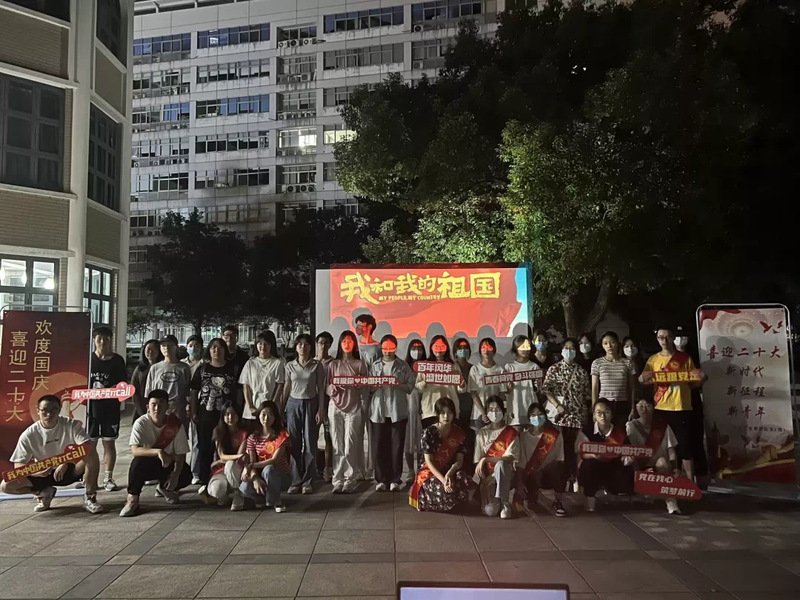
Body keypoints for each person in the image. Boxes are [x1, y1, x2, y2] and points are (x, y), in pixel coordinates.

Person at [1, 394, 103, 514]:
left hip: (70, 470)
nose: (49, 414)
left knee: (90, 453)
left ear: (59, 410)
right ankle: (43, 493)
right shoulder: (29, 434)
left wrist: (66, 462)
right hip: (43, 473)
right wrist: (38, 473)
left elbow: (86, 447)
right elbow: (18, 466)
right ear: (38, 411)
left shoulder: (71, 425)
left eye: (53, 410)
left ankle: (90, 496)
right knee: (6, 485)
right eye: (44, 410)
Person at [639, 327, 705, 483]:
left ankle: (690, 482)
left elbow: (693, 384)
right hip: (661, 408)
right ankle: (661, 480)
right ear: (657, 339)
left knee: (685, 446)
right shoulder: (653, 360)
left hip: (681, 407)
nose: (664, 340)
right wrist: (643, 378)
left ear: (673, 338)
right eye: (661, 337)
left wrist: (700, 379)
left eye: (667, 337)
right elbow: (642, 380)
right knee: (657, 445)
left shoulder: (684, 358)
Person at [120, 390, 193, 517]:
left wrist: (175, 476)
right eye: (153, 404)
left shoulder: (175, 424)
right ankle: (132, 500)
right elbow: (135, 450)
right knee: (137, 463)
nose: (157, 408)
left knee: (186, 474)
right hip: (148, 462)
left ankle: (165, 487)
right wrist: (158, 451)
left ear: (167, 406)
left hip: (168, 463)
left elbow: (181, 454)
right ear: (148, 406)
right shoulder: (141, 423)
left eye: (161, 405)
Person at [542, 337, 591, 490]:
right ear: (562, 350)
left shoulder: (581, 371)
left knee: (573, 449)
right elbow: (546, 390)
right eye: (566, 348)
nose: (569, 351)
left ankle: (573, 479)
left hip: (576, 415)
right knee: (560, 449)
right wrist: (557, 406)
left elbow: (586, 394)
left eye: (572, 348)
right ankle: (560, 481)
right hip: (559, 416)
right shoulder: (554, 369)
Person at [369, 335, 415, 491]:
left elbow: (410, 387)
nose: (387, 352)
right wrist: (375, 385)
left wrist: (397, 384)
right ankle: (381, 480)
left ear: (395, 348)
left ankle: (395, 479)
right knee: (379, 446)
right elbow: (368, 387)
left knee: (396, 447)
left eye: (391, 348)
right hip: (378, 411)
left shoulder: (403, 365)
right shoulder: (375, 365)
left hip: (397, 411)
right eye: (384, 348)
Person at [409, 398, 471, 512]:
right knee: (443, 491)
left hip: (450, 471)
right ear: (437, 414)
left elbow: (459, 460)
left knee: (463, 478)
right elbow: (429, 462)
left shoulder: (459, 433)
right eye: (442, 413)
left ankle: (451, 502)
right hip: (431, 472)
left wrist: (450, 473)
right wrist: (444, 481)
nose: (446, 416)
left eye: (449, 413)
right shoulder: (428, 433)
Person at [189, 338, 238, 483]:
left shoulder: (233, 369)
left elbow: (239, 391)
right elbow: (194, 392)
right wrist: (193, 411)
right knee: (205, 447)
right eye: (213, 347)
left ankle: (227, 479)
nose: (217, 350)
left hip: (226, 416)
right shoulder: (202, 369)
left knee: (226, 446)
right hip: (205, 414)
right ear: (209, 350)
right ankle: (204, 480)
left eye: (220, 347)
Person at [282, 334, 325, 494]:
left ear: (310, 347)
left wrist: (321, 409)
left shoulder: (316, 365)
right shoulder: (290, 365)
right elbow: (286, 388)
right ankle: (295, 480)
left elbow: (321, 389)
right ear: (296, 347)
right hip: (293, 404)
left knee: (310, 443)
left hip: (311, 403)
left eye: (306, 344)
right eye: (299, 344)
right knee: (294, 443)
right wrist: (281, 409)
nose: (302, 347)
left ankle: (307, 481)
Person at [87, 326, 128, 492]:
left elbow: (123, 385)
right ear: (94, 340)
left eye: (106, 339)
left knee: (109, 443)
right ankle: (88, 478)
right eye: (99, 339)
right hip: (90, 410)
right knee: (89, 445)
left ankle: (108, 478)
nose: (102, 342)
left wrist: (111, 391)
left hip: (110, 409)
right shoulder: (88, 359)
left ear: (110, 340)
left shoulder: (117, 361)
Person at [576, 399, 635, 512]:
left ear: (612, 414)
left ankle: (615, 493)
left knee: (626, 470)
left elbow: (626, 452)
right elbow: (580, 453)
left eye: (606, 412)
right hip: (594, 463)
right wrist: (593, 455)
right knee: (588, 466)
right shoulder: (586, 431)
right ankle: (590, 499)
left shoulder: (620, 433)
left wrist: (627, 459)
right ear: (594, 415)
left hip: (613, 465)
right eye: (599, 413)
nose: (602, 416)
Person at [326, 331, 367, 493]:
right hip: (335, 407)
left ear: (355, 344)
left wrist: (359, 384)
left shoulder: (360, 364)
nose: (347, 344)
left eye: (350, 341)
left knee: (350, 445)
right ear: (340, 344)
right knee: (337, 444)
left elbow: (365, 386)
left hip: (354, 407)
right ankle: (338, 479)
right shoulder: (333, 364)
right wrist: (333, 388)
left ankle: (350, 479)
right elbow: (327, 386)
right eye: (344, 341)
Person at [626, 396, 681, 515]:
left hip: (658, 464)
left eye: (647, 405)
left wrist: (675, 467)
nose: (644, 409)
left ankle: (671, 502)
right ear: (635, 407)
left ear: (653, 407)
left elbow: (671, 450)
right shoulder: (630, 426)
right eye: (640, 405)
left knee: (663, 463)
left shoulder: (663, 426)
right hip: (639, 464)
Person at [239, 401, 296, 512]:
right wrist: (255, 478)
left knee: (269, 469)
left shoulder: (282, 435)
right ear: (258, 416)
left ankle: (276, 501)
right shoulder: (252, 438)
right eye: (263, 414)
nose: (266, 418)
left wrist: (250, 466)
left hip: (280, 475)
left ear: (275, 417)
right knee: (245, 486)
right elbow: (252, 460)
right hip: (261, 475)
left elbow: (274, 460)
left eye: (270, 414)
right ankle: (261, 499)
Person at [516, 403, 567, 517]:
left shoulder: (554, 435)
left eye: (540, 414)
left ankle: (558, 501)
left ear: (545, 416)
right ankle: (532, 496)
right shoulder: (523, 436)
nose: (537, 417)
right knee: (532, 505)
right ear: (529, 418)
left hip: (547, 476)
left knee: (559, 468)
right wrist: (520, 483)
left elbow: (560, 459)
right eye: (533, 415)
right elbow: (521, 463)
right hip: (530, 475)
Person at [473, 396, 519, 519]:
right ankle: (495, 498)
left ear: (503, 411)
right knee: (490, 511)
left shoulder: (511, 432)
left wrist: (486, 459)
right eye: (491, 409)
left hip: (506, 475)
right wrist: (485, 482)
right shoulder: (482, 433)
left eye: (497, 409)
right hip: (488, 477)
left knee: (501, 464)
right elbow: (478, 462)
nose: (494, 412)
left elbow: (509, 458)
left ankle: (505, 503)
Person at [199, 402, 248, 509]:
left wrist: (220, 461)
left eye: (233, 414)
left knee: (230, 464)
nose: (230, 417)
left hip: (236, 469)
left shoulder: (244, 432)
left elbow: (239, 457)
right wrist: (223, 460)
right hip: (220, 470)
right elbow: (222, 455)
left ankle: (238, 493)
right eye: (226, 414)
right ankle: (223, 494)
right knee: (217, 490)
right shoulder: (218, 431)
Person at [239, 331, 286, 431]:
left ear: (272, 345)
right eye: (260, 343)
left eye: (266, 344)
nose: (263, 346)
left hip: (271, 412)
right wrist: (250, 406)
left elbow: (279, 386)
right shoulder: (250, 363)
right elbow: (246, 387)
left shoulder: (278, 363)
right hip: (253, 411)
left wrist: (271, 407)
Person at [145, 335, 192, 427]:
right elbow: (149, 392)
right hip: (158, 408)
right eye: (163, 346)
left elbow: (188, 391)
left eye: (170, 345)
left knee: (178, 433)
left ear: (176, 347)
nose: (166, 348)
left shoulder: (184, 368)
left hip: (178, 409)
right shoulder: (155, 368)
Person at [591, 331, 636, 426]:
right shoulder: (597, 363)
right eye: (605, 343)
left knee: (621, 431)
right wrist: (594, 410)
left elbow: (631, 387)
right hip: (603, 405)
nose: (609, 346)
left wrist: (633, 408)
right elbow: (595, 388)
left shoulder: (627, 363)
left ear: (618, 343)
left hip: (622, 404)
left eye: (612, 342)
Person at [354, 315, 379, 481]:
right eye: (356, 325)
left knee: (372, 432)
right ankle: (358, 467)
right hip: (356, 393)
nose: (358, 328)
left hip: (373, 393)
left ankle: (371, 468)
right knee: (356, 431)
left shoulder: (378, 347)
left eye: (360, 325)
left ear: (369, 327)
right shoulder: (353, 345)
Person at [416, 335, 460, 428]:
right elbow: (418, 387)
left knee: (450, 436)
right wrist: (424, 382)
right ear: (431, 347)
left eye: (442, 346)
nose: (439, 350)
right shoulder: (425, 365)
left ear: (446, 348)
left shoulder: (453, 365)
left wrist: (462, 385)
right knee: (430, 435)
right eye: (436, 346)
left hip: (449, 409)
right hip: (430, 409)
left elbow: (460, 389)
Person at [503, 335, 542, 428]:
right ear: (516, 349)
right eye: (522, 347)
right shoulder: (509, 367)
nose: (525, 349)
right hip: (515, 406)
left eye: (527, 346)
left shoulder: (534, 367)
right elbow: (505, 390)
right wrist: (508, 387)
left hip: (530, 404)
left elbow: (538, 389)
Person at [467, 337, 506, 431]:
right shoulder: (475, 369)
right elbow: (473, 393)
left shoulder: (500, 370)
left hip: (495, 414)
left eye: (489, 348)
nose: (486, 350)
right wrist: (483, 412)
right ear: (480, 350)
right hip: (478, 413)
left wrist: (495, 410)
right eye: (483, 347)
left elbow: (502, 393)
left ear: (494, 350)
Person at [403, 338, 427, 484]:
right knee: (408, 441)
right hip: (408, 407)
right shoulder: (404, 367)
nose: (416, 351)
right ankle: (410, 470)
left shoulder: (428, 367)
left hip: (423, 408)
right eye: (414, 348)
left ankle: (420, 469)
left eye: (419, 348)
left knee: (421, 441)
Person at [182, 334, 204, 484]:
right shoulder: (181, 364)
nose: (193, 348)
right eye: (191, 345)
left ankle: (195, 472)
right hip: (182, 405)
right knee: (181, 439)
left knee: (197, 440)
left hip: (199, 405)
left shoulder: (204, 364)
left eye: (197, 345)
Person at [315, 331, 334, 482]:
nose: (323, 345)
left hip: (329, 403)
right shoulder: (311, 362)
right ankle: (315, 468)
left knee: (329, 437)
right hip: (313, 403)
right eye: (321, 342)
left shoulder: (334, 363)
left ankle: (328, 468)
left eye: (326, 343)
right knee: (312, 437)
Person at [131, 339, 162, 424]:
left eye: (154, 349)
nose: (150, 352)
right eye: (148, 349)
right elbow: (134, 390)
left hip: (159, 406)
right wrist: (140, 411)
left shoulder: (162, 368)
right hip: (142, 406)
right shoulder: (139, 369)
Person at [222, 325, 250, 415]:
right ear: (222, 337)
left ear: (237, 337)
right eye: (226, 335)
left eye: (232, 335)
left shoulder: (243, 356)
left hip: (238, 392)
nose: (229, 338)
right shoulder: (219, 354)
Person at [453, 338, 474, 432]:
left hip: (470, 406)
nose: (463, 350)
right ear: (455, 351)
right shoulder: (451, 367)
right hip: (455, 407)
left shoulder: (473, 368)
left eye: (465, 348)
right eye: (460, 348)